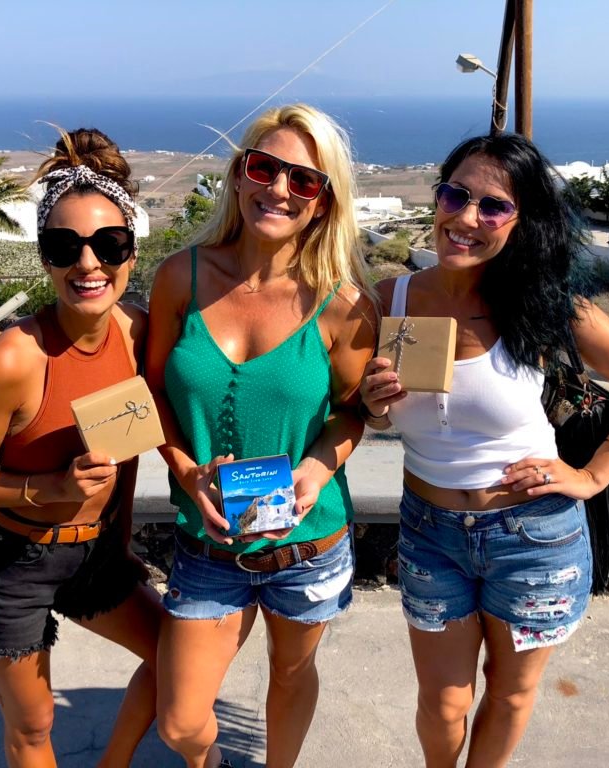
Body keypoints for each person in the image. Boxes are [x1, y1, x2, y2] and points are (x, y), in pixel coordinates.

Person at [360, 133, 609, 768]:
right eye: (456, 195)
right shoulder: (387, 300)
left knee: (509, 694)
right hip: (430, 532)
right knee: (443, 703)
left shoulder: (545, 306)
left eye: (494, 206)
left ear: (522, 221)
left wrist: (595, 475)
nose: (466, 218)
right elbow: (368, 416)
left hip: (533, 535)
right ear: (437, 197)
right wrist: (373, 406)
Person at [146, 104, 377, 768]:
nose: (278, 188)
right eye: (263, 167)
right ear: (238, 174)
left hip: (307, 545)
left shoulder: (343, 306)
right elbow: (152, 394)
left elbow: (352, 412)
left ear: (323, 200)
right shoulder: (181, 278)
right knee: (181, 724)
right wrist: (186, 471)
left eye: (303, 179)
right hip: (208, 542)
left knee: (291, 674)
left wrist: (317, 469)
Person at [0, 128, 163, 768]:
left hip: (95, 553)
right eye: (65, 247)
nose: (88, 264)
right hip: (11, 561)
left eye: (109, 244)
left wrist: (120, 543)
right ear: (45, 259)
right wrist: (51, 488)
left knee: (177, 658)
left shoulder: (138, 333)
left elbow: (128, 453)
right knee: (33, 726)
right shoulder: (13, 359)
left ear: (131, 253)